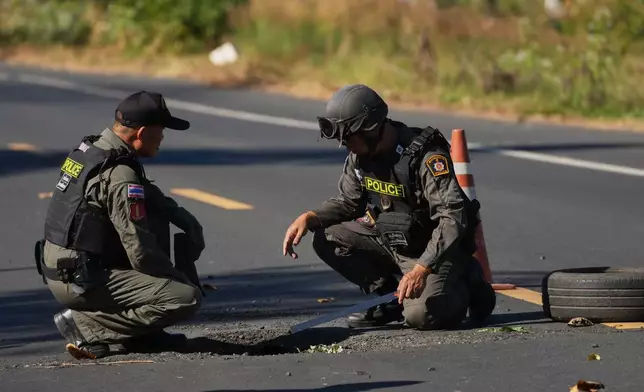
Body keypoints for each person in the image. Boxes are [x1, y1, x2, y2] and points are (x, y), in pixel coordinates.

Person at [282, 84, 496, 330]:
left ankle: (469, 283)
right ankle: (388, 301)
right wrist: (309, 217)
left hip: (433, 253)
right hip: (393, 240)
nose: (345, 145)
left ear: (372, 130)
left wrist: (422, 268)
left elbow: (451, 219)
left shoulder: (426, 157)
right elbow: (348, 202)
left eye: (349, 138)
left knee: (422, 317)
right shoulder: (359, 155)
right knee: (326, 238)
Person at [34, 91, 205, 359]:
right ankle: (87, 326)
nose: (163, 138)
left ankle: (143, 334)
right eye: (161, 131)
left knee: (155, 217)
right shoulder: (120, 175)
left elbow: (149, 194)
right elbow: (139, 251)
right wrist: (173, 276)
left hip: (68, 268)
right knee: (185, 297)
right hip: (81, 279)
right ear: (143, 132)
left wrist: (185, 219)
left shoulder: (94, 150)